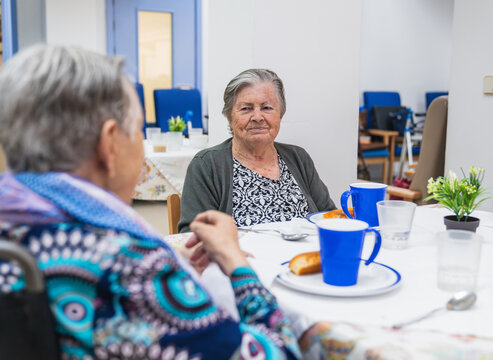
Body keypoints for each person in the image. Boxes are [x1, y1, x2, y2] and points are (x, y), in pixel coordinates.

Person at [0, 45, 300, 359]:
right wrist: (239, 265)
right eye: (138, 131)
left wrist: (172, 259)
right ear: (109, 143)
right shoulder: (131, 267)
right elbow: (276, 354)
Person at [179, 69, 335, 232]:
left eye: (267, 108)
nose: (258, 117)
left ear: (280, 115)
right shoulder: (206, 165)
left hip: (305, 257)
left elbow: (330, 218)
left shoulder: (298, 157)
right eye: (246, 108)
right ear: (229, 118)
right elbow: (192, 235)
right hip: (240, 257)